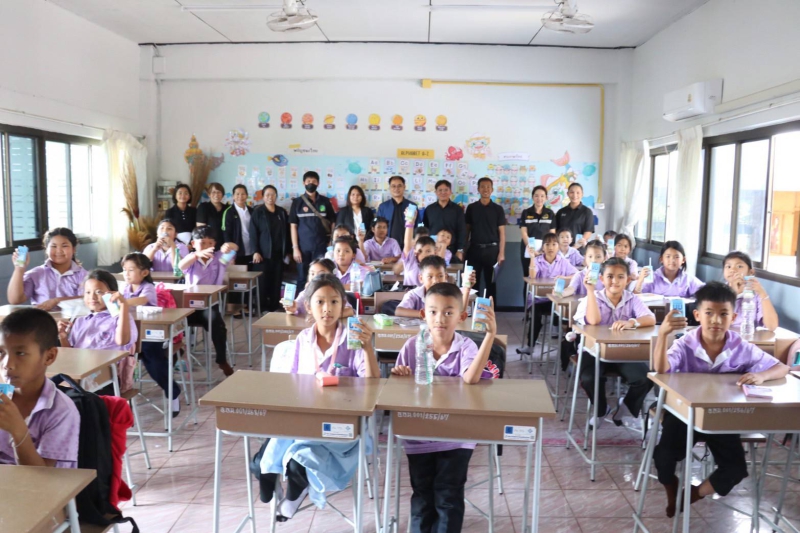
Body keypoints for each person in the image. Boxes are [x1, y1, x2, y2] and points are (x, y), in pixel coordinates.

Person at [652, 282, 789, 518]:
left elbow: (781, 367)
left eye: (723, 314)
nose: (716, 320)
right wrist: (663, 335)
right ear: (697, 315)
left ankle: (693, 494)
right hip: (685, 415)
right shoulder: (685, 343)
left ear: (733, 317)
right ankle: (670, 484)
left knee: (736, 468)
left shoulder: (740, 346)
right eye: (709, 313)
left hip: (723, 417)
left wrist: (761, 375)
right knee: (663, 457)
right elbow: (662, 369)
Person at [256, 274, 378, 519]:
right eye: (320, 302)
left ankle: (293, 494)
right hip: (305, 421)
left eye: (334, 302)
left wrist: (367, 347)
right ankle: (277, 479)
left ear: (343, 306)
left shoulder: (353, 340)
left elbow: (372, 385)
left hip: (340, 426)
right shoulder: (303, 339)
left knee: (296, 464)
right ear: (309, 306)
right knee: (261, 459)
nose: (327, 309)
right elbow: (291, 382)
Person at [391, 283, 498, 533]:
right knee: (422, 496)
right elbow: (399, 390)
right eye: (433, 312)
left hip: (456, 435)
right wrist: (400, 374)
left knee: (448, 496)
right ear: (423, 314)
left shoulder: (466, 346)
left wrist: (490, 335)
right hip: (419, 434)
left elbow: (471, 378)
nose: (440, 319)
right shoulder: (412, 346)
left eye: (449, 312)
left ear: (462, 316)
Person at [573, 257, 656, 429]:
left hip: (622, 351)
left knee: (645, 378)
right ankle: (601, 409)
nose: (615, 281)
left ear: (628, 280)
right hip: (593, 351)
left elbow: (650, 318)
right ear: (601, 279)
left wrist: (632, 322)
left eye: (620, 277)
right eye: (610, 276)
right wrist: (590, 291)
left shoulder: (632, 299)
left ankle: (625, 408)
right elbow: (593, 321)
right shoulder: (591, 298)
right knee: (589, 378)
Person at [0, 308, 80, 467]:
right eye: (1, 352)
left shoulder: (61, 411)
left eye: (20, 353)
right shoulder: (3, 397)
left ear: (49, 356)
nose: (7, 364)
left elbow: (43, 478)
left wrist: (18, 431)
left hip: (36, 481)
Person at [121, 253, 181, 414]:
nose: (126, 273)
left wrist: (122, 302)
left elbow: (141, 300)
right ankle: (122, 399)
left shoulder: (148, 288)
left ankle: (172, 392)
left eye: (131, 270)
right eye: (124, 270)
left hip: (151, 334)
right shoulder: (126, 289)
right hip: (132, 335)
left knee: (152, 359)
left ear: (144, 272)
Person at [179, 226, 238, 376]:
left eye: (210, 243)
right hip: (189, 307)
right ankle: (179, 357)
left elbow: (234, 249)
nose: (206, 246)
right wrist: (196, 255)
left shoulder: (219, 259)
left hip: (209, 306)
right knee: (176, 324)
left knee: (217, 324)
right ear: (193, 244)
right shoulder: (191, 259)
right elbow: (181, 265)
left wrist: (230, 245)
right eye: (202, 243)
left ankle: (221, 360)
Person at [57, 269, 138, 354]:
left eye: (98, 292)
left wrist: (123, 306)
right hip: (82, 362)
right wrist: (63, 337)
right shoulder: (80, 321)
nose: (92, 297)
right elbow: (71, 354)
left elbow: (122, 341)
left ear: (113, 293)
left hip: (108, 362)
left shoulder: (120, 318)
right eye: (88, 292)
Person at [7, 227, 87, 310]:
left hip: (72, 318)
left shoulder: (83, 276)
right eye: (54, 246)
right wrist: (19, 269)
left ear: (73, 249)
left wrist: (57, 301)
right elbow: (15, 300)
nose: (59, 251)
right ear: (46, 249)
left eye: (64, 246)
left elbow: (86, 299)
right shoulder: (36, 274)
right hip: (41, 317)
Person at [525, 233, 577, 352]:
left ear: (558, 246)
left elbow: (576, 274)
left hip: (556, 300)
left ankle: (568, 349)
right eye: (547, 244)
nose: (550, 247)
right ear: (543, 247)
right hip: (539, 300)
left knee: (569, 315)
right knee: (536, 315)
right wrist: (532, 257)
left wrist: (565, 277)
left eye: (554, 244)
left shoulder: (563, 262)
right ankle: (530, 346)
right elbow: (532, 277)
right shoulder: (537, 260)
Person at [290, 171, 336, 288]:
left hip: (321, 247)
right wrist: (295, 248)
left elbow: (333, 222)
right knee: (302, 278)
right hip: (302, 248)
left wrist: (331, 242)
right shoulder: (297, 202)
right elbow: (293, 226)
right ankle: (302, 300)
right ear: (304, 183)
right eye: (308, 181)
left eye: (314, 181)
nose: (311, 183)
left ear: (318, 183)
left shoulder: (325, 201)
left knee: (321, 278)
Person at [465, 178, 507, 301]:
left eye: (488, 187)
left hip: (492, 251)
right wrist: (463, 249)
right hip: (474, 250)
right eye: (483, 186)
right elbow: (467, 231)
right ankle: (473, 309)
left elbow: (502, 233)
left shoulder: (498, 209)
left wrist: (501, 253)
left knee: (491, 284)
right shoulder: (471, 208)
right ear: (478, 189)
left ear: (492, 189)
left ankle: (491, 310)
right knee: (473, 283)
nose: (485, 189)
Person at [250, 185, 290, 312]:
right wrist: (255, 251)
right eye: (267, 195)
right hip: (263, 254)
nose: (270, 197)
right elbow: (253, 234)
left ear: (276, 196)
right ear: (263, 197)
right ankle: (261, 307)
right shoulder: (258, 212)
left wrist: (287, 251)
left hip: (278, 254)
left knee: (276, 281)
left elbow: (287, 233)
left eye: (273, 194)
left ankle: (274, 306)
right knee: (262, 282)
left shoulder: (281, 212)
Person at [395, 255, 473, 318]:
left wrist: (467, 288)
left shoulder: (452, 294)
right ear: (421, 278)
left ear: (446, 277)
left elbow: (460, 313)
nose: (435, 281)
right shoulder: (414, 294)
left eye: (440, 276)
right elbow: (399, 311)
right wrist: (424, 314)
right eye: (430, 277)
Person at [722, 251, 779, 331]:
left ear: (751, 272)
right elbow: (720, 322)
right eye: (728, 266)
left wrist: (763, 293)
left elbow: (772, 326)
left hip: (748, 336)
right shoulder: (718, 292)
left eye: (739, 266)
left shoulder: (756, 294)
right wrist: (733, 294)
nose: (733, 270)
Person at [223, 184, 255, 317]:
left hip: (250, 251)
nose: (240, 196)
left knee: (248, 280)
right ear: (233, 196)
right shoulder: (229, 212)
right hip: (236, 252)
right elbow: (226, 234)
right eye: (237, 194)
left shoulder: (252, 211)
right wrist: (231, 255)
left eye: (243, 194)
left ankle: (246, 305)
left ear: (247, 196)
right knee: (236, 280)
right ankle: (235, 308)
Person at [282, 258, 354, 318]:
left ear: (332, 276)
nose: (315, 277)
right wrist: (291, 309)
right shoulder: (305, 293)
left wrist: (323, 316)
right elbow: (294, 308)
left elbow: (350, 311)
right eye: (312, 273)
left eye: (320, 274)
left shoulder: (336, 292)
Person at [634, 240, 705, 297]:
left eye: (676, 257)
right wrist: (640, 280)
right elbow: (636, 296)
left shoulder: (687, 279)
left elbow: (705, 292)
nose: (672, 260)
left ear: (683, 260)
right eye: (668, 256)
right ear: (661, 259)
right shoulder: (653, 277)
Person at [422, 180, 466, 264]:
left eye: (446, 190)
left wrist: (460, 250)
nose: (443, 192)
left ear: (450, 192)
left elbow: (462, 231)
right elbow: (425, 230)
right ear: (436, 192)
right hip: (433, 249)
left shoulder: (457, 210)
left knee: (453, 271)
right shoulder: (429, 209)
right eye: (440, 190)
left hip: (452, 250)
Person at [518, 185, 556, 276]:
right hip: (528, 249)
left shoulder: (550, 213)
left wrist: (544, 249)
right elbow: (524, 232)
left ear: (546, 198)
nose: (539, 198)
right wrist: (532, 249)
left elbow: (552, 234)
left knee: (544, 276)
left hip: (545, 250)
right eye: (536, 196)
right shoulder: (526, 213)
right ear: (532, 197)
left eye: (542, 196)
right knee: (528, 276)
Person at [397, 208, 437, 287]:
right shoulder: (411, 262)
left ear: (435, 252)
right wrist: (410, 222)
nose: (424, 254)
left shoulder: (437, 266)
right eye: (420, 251)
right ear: (415, 252)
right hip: (410, 294)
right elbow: (407, 243)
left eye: (428, 251)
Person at [376, 176, 417, 245]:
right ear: (389, 188)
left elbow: (417, 227)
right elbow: (378, 227)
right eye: (393, 186)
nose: (396, 188)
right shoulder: (383, 207)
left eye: (399, 186)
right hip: (387, 245)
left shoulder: (412, 206)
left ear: (404, 187)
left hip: (408, 245)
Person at [555, 182, 594, 248]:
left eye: (578, 193)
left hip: (579, 248)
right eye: (572, 192)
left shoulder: (587, 212)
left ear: (582, 194)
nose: (575, 195)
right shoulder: (561, 212)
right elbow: (556, 231)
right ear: (567, 194)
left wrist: (575, 247)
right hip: (562, 249)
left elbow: (588, 232)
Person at [196, 182, 228, 249]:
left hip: (225, 244)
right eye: (213, 192)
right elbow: (200, 229)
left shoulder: (227, 208)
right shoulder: (203, 207)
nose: (216, 195)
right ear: (209, 194)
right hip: (209, 244)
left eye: (219, 192)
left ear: (222, 194)